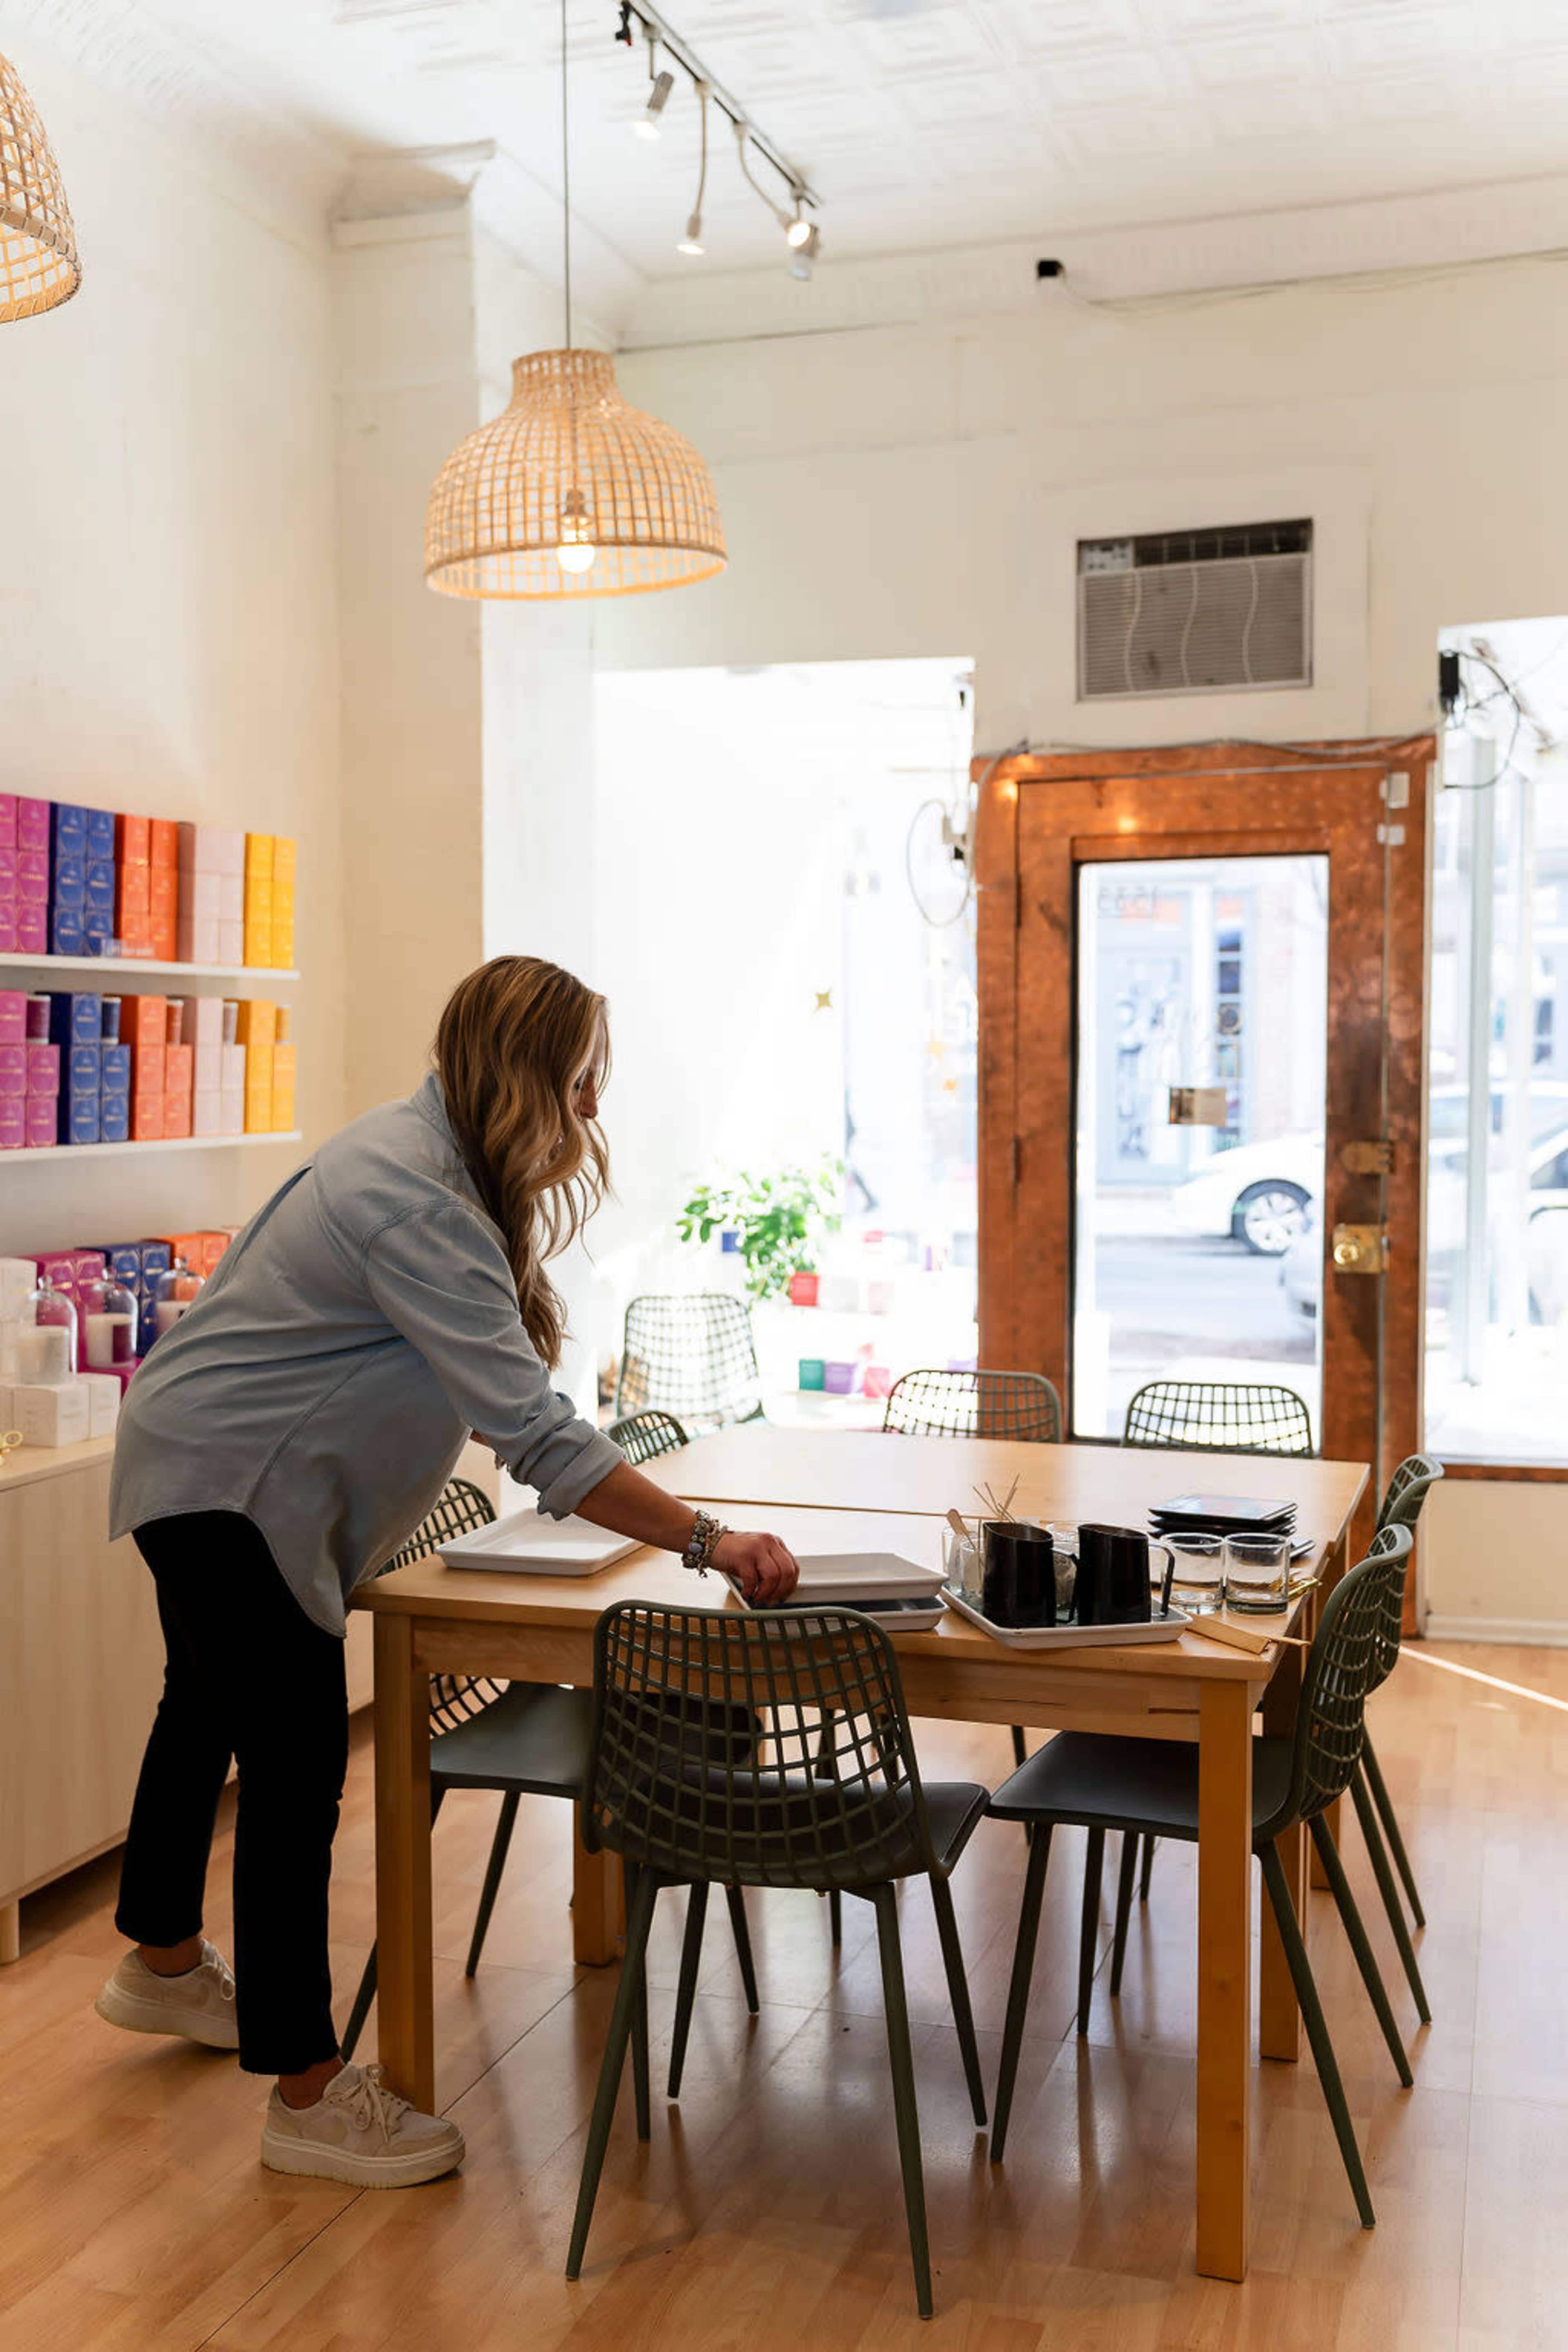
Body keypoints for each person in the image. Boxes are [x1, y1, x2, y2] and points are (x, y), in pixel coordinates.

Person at [95, 956, 800, 2189]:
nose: (590, 1112)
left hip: (200, 1455)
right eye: (581, 1083)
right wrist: (705, 1539)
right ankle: (306, 2094)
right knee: (299, 1761)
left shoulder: (430, 1168)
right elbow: (536, 1437)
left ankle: (159, 1963)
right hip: (230, 1482)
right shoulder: (413, 1196)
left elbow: (484, 1397)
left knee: (203, 1704)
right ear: (524, 1073)